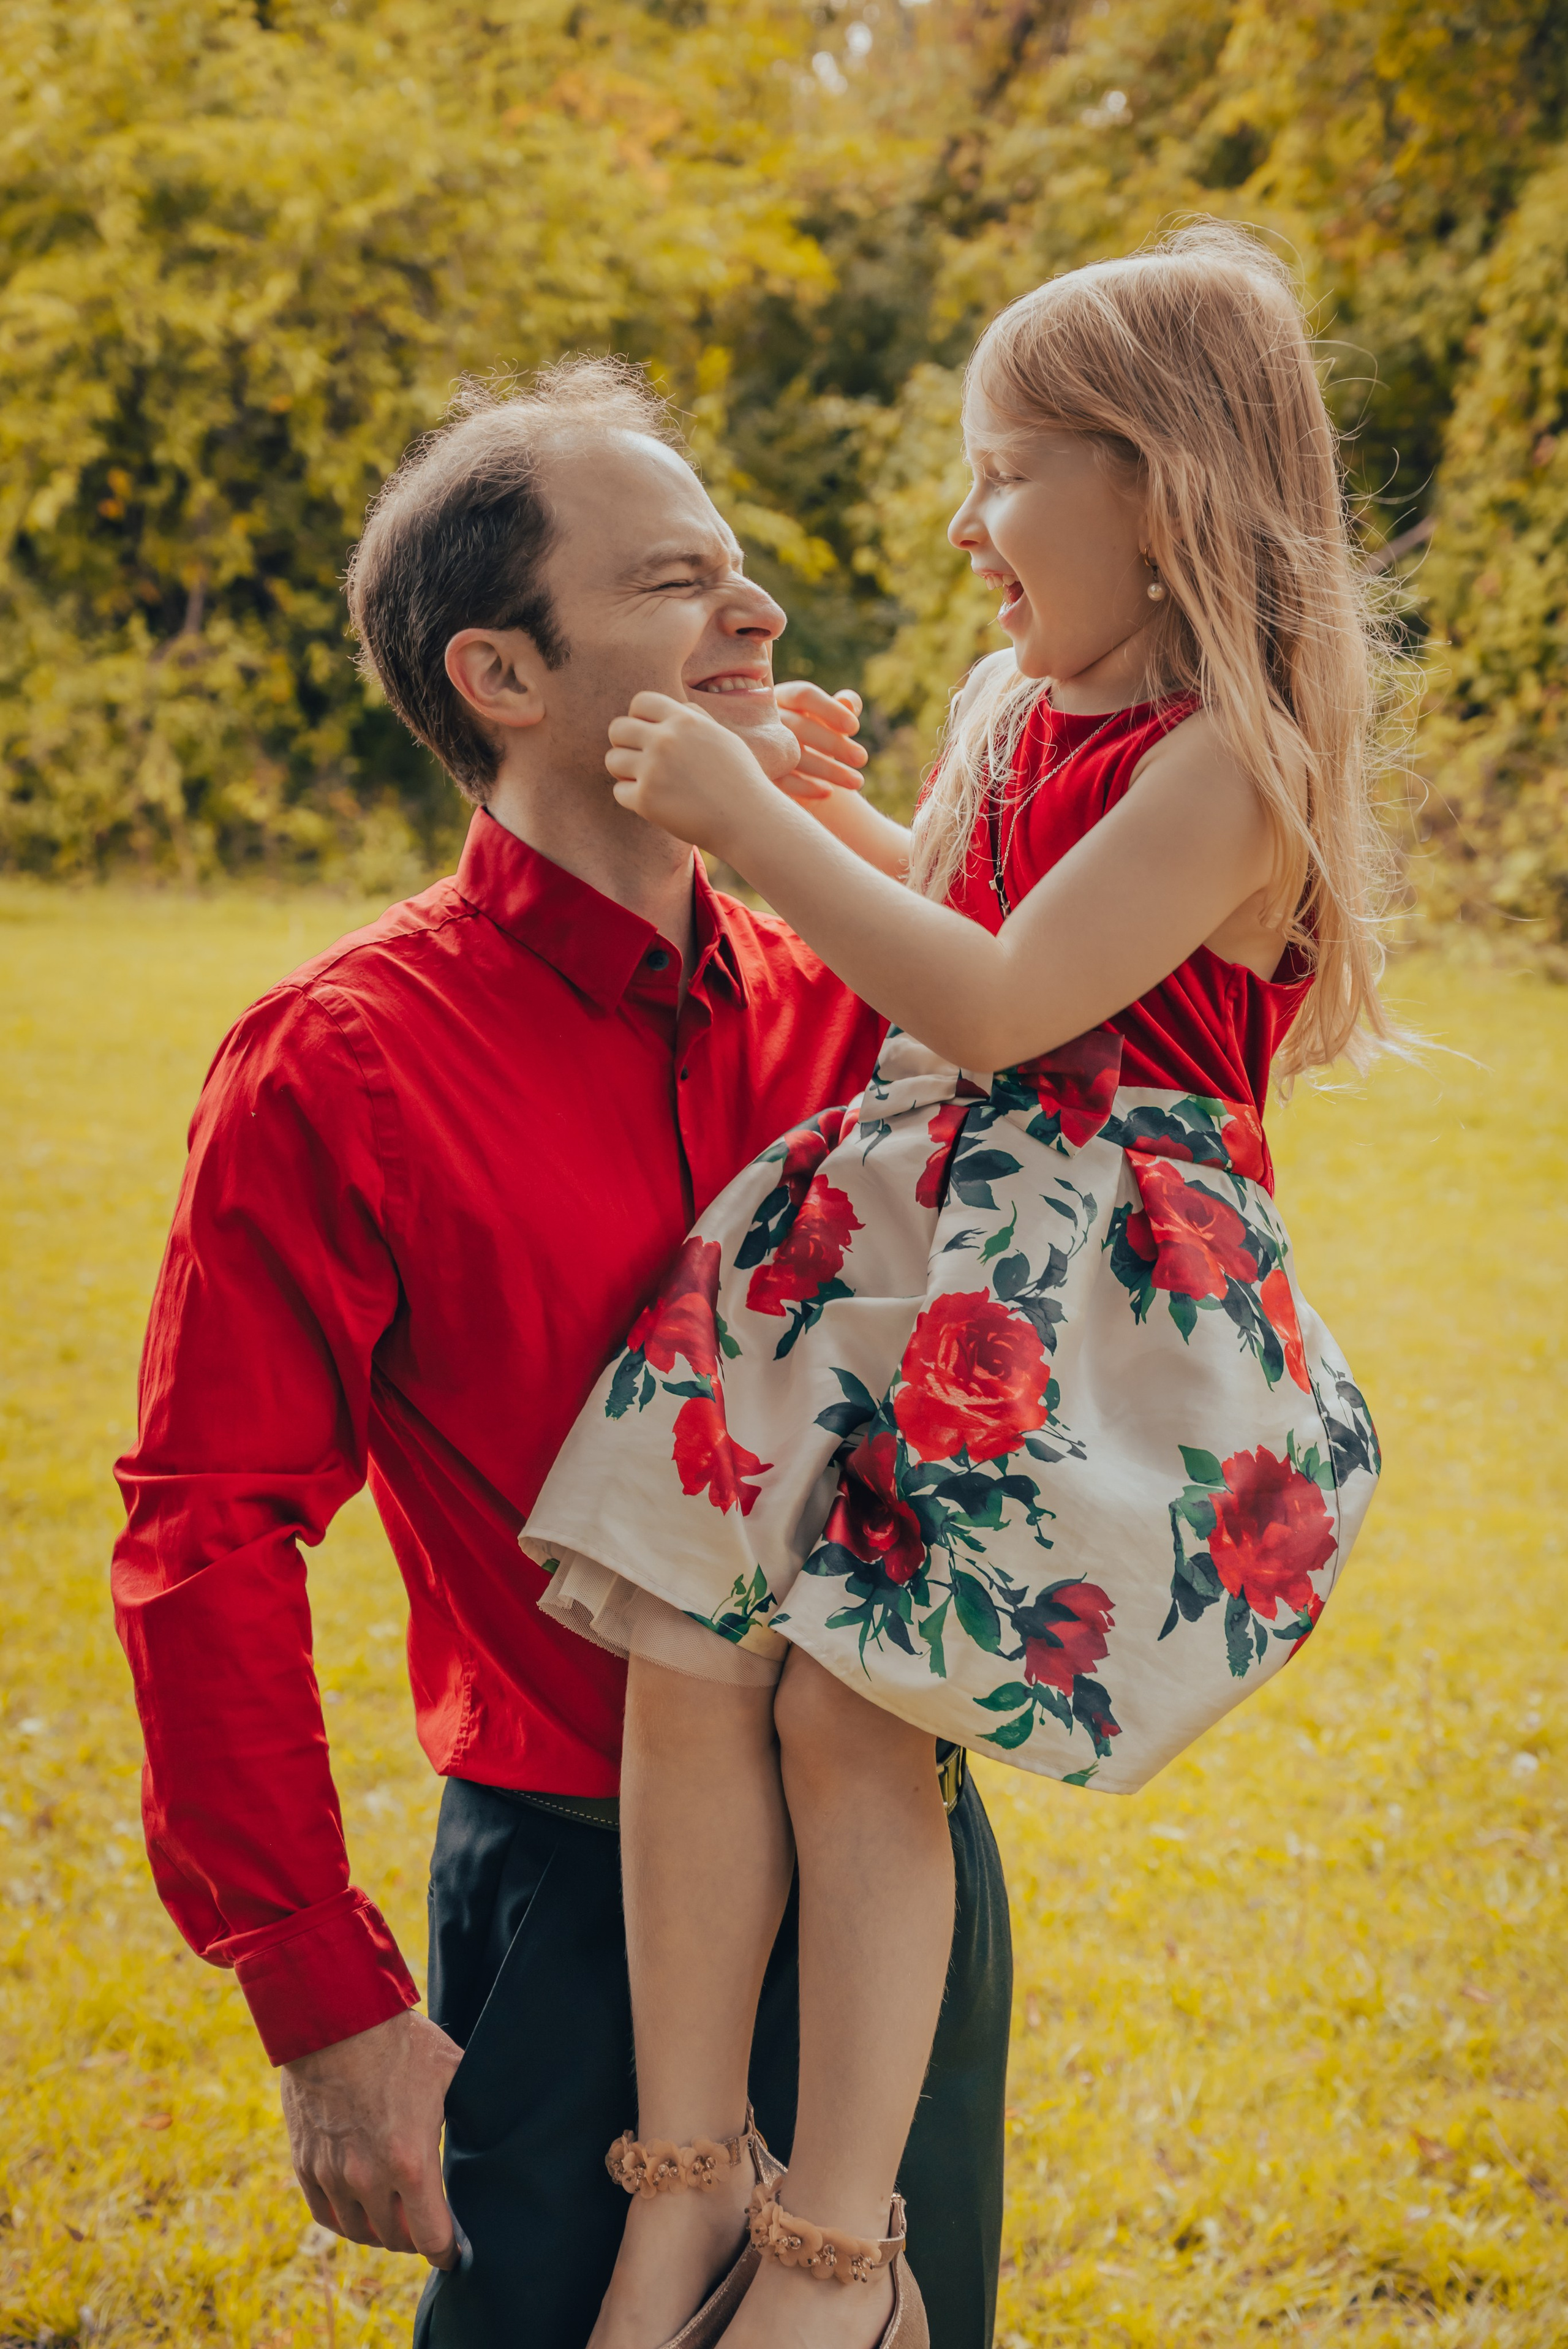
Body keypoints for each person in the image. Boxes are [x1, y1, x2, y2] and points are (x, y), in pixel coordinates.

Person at [523, 222, 1389, 2349]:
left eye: (1005, 471)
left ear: (1161, 486)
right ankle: (688, 2180)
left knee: (855, 1697)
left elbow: (1009, 1003)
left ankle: (838, 2250)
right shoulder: (1016, 699)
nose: (965, 525)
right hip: (920, 1230)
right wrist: (837, 806)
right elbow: (965, 911)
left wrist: (750, 827)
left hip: (1090, 1290)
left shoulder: (1234, 762)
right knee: (702, 1642)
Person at [109, 360, 1013, 2349]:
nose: (758, 613)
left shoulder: (872, 980)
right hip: (577, 1907)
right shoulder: (337, 1061)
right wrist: (323, 1998)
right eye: (682, 580)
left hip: (891, 1872)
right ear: (503, 676)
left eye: (747, 570)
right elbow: (205, 1534)